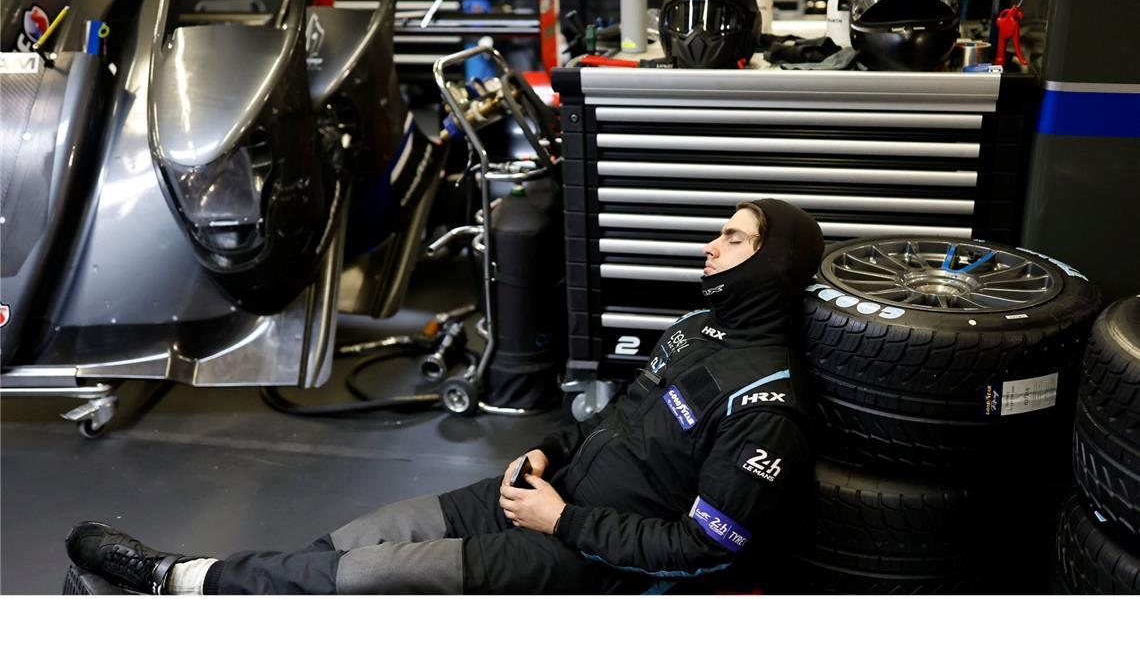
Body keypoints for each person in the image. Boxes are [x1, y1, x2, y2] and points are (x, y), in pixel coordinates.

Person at [65, 198, 824, 595]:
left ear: (772, 264)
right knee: (364, 537)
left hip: (587, 556)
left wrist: (565, 520)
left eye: (731, 239)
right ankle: (248, 596)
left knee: (381, 575)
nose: (709, 246)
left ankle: (173, 579)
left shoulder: (769, 405)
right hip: (544, 496)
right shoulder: (696, 325)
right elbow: (617, 421)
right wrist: (548, 451)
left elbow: (704, 549)